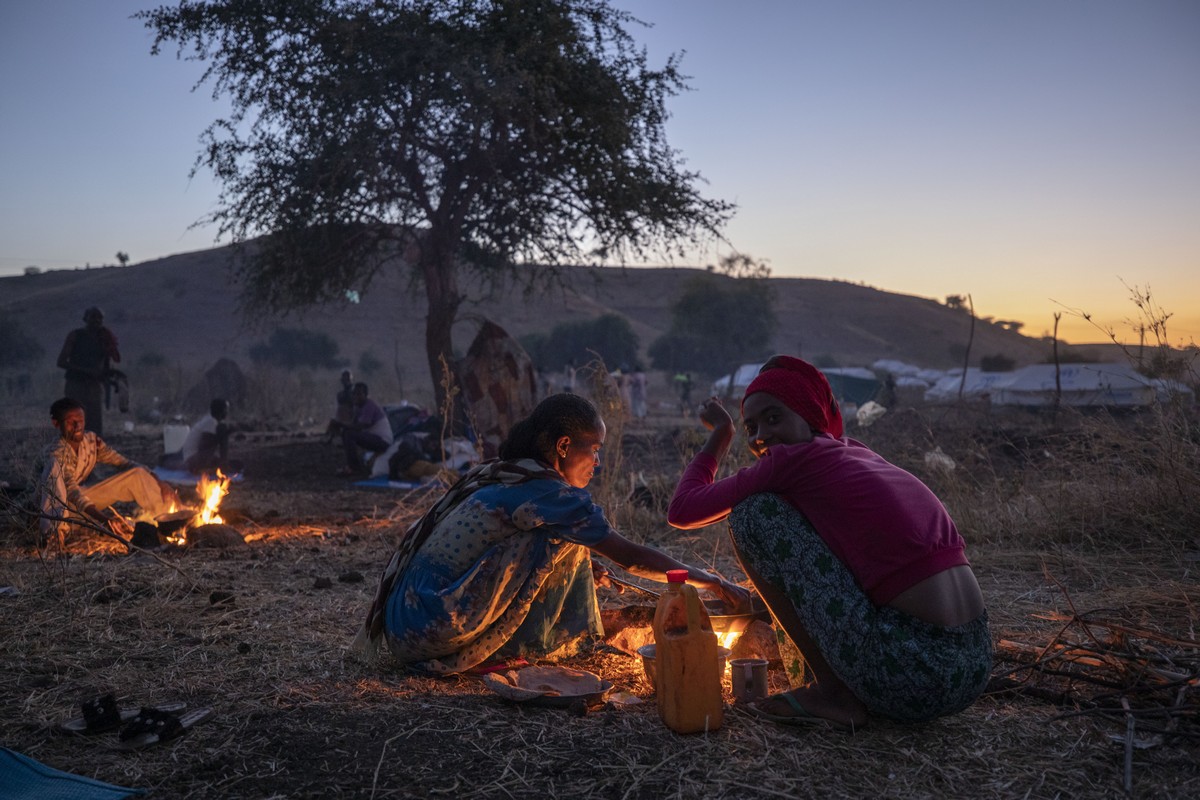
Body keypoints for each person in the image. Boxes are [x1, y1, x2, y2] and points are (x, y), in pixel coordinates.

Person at [667, 355, 991, 730]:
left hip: (912, 674)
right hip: (974, 665)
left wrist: (722, 433)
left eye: (774, 418)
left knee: (753, 515)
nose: (759, 438)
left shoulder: (793, 460)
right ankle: (839, 685)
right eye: (750, 426)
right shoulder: (857, 454)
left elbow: (682, 509)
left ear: (810, 416)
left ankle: (834, 694)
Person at [352, 393, 750, 674]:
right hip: (432, 626)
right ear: (563, 446)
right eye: (594, 449)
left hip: (404, 618)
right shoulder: (551, 495)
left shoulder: (506, 473)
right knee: (563, 538)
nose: (597, 461)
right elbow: (630, 557)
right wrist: (710, 580)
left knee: (571, 544)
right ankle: (543, 645)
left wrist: (580, 565)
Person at [39, 397, 180, 545]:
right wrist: (104, 520)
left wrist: (159, 481)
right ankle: (54, 535)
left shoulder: (91, 441)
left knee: (136, 474)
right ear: (56, 423)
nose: (77, 425)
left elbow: (124, 463)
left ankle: (173, 520)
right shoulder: (56, 452)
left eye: (80, 419)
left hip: (76, 505)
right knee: (54, 467)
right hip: (50, 512)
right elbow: (73, 491)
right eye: (70, 421)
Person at [56, 307, 120, 437]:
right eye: (93, 317)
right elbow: (61, 362)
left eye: (100, 318)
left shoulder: (105, 338)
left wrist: (112, 377)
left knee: (94, 424)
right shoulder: (75, 335)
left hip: (94, 386)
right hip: (76, 384)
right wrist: (87, 371)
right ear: (85, 319)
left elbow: (107, 363)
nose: (96, 320)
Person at [330, 382, 393, 477]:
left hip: (383, 441)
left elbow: (361, 426)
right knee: (347, 433)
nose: (356, 396)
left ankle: (354, 468)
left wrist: (341, 424)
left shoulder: (369, 405)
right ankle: (352, 465)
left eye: (359, 394)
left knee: (349, 434)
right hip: (374, 438)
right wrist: (339, 426)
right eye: (354, 394)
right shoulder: (357, 407)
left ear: (366, 395)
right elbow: (353, 425)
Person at [161, 399, 239, 475]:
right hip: (192, 460)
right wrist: (223, 436)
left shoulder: (210, 420)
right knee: (222, 430)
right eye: (226, 410)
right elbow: (205, 446)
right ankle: (203, 470)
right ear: (221, 411)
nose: (227, 412)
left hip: (192, 456)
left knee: (233, 463)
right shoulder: (211, 423)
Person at [324, 370, 355, 442]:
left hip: (353, 417)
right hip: (343, 417)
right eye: (344, 379)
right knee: (334, 421)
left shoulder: (355, 392)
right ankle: (331, 436)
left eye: (347, 379)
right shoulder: (341, 394)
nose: (345, 382)